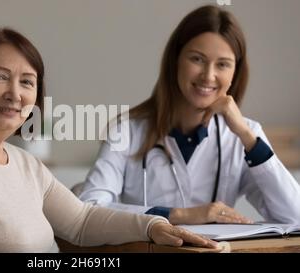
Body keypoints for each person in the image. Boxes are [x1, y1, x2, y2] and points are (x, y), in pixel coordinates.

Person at [0, 27, 217, 252]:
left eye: (27, 82)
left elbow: (81, 221)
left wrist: (151, 226)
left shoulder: (22, 163)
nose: (15, 94)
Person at [79, 5, 300, 225]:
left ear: (235, 73)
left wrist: (246, 135)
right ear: (176, 60)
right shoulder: (127, 130)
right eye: (197, 59)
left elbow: (295, 216)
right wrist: (179, 215)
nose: (208, 76)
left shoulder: (245, 137)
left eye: (222, 64)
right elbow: (90, 208)